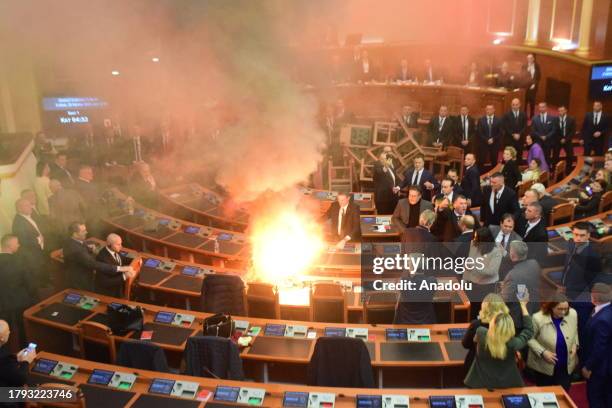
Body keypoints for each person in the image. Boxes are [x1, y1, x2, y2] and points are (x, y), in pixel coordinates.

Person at [464, 288, 534, 388]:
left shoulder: (480, 332)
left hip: (479, 382)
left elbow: (469, 342)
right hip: (507, 383)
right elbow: (529, 330)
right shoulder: (514, 343)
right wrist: (523, 305)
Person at [527, 294, 578, 391]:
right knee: (545, 395)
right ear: (551, 307)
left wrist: (575, 344)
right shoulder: (538, 318)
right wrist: (543, 352)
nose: (563, 312)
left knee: (563, 394)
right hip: (545, 367)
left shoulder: (572, 314)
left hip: (566, 366)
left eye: (566, 309)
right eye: (560, 309)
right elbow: (529, 338)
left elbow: (575, 331)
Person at [63, 222, 134, 291]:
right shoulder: (76, 250)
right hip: (80, 282)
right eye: (83, 231)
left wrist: (89, 249)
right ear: (75, 234)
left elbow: (81, 246)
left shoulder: (74, 241)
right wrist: (120, 268)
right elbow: (94, 264)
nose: (86, 232)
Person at [0, 235, 36, 347]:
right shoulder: (20, 261)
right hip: (21, 301)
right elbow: (29, 283)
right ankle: (25, 350)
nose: (19, 245)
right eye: (17, 243)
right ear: (10, 246)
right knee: (23, 328)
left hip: (2, 303)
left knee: (3, 330)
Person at [462, 293, 509, 376]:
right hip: (500, 368)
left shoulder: (476, 325)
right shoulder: (507, 325)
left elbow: (466, 344)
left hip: (475, 369)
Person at [581, 283, 612, 408]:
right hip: (605, 367)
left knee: (596, 399)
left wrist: (588, 367)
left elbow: (599, 347)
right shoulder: (605, 311)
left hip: (600, 369)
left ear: (594, 297)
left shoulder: (602, 319)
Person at [501, 241, 541, 326]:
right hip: (536, 308)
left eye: (510, 250)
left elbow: (505, 299)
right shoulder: (534, 263)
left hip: (519, 316)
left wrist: (502, 288)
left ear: (512, 255)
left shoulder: (513, 275)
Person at [561, 222, 602, 301]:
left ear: (588, 235)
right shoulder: (571, 243)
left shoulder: (593, 257)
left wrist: (569, 290)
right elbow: (567, 266)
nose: (578, 238)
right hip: (565, 285)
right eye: (576, 234)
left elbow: (591, 282)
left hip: (577, 293)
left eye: (582, 235)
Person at [464, 227, 504, 305]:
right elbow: (468, 263)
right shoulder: (474, 244)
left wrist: (474, 267)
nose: (474, 239)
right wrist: (464, 282)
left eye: (476, 238)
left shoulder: (496, 252)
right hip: (472, 284)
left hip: (487, 287)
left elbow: (492, 271)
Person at [11, 198, 46, 283]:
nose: (30, 207)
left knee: (42, 275)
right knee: (37, 278)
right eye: (27, 206)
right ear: (19, 208)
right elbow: (23, 240)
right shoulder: (18, 222)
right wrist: (39, 239)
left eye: (30, 204)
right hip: (30, 255)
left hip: (36, 251)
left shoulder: (27, 217)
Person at [0, 320, 36, 388]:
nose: (9, 332)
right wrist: (26, 361)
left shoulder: (5, 357)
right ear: (2, 338)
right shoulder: (4, 358)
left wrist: (15, 358)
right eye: (8, 331)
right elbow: (21, 379)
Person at [476, 104, 503, 171]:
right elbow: (479, 132)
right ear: (485, 110)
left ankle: (494, 174)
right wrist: (486, 140)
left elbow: (500, 132)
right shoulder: (481, 120)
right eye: (487, 109)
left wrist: (493, 139)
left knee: (494, 161)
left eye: (490, 109)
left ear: (494, 110)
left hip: (495, 143)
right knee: (481, 161)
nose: (489, 111)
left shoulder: (499, 120)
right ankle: (480, 176)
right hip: (483, 144)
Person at [502, 98, 527, 164]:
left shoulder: (523, 114)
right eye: (513, 105)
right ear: (511, 105)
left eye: (516, 104)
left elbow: (524, 126)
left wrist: (519, 134)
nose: (515, 106)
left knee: (519, 157)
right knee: (508, 158)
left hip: (520, 140)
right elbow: (505, 127)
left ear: (520, 105)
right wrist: (513, 134)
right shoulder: (506, 115)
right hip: (509, 140)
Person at [522, 53, 541, 118]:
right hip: (526, 87)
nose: (529, 60)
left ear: (533, 59)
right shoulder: (524, 66)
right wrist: (528, 71)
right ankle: (524, 115)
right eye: (528, 58)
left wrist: (534, 84)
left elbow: (538, 77)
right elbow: (522, 76)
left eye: (530, 58)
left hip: (533, 87)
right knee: (525, 101)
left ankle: (532, 115)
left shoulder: (537, 66)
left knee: (532, 102)